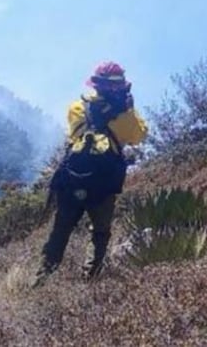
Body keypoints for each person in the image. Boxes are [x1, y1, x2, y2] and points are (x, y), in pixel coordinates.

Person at [36, 62, 147, 284]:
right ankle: (90, 278)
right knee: (100, 231)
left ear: (96, 84)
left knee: (61, 230)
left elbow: (73, 133)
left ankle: (42, 277)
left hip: (73, 177)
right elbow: (139, 135)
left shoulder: (77, 107)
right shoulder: (125, 116)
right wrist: (128, 110)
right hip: (104, 182)